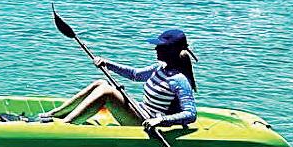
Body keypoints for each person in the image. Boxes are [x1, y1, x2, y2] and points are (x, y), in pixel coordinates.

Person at [42, 28, 198, 129]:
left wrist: (161, 120)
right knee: (101, 83)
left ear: (172, 51)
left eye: (161, 46)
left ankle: (65, 125)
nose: (156, 48)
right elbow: (135, 75)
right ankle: (55, 114)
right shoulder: (159, 68)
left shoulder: (179, 80)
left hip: (146, 122)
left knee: (107, 93)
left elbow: (190, 114)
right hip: (141, 110)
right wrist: (107, 63)